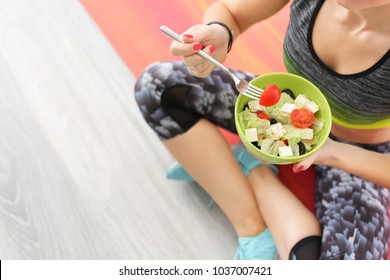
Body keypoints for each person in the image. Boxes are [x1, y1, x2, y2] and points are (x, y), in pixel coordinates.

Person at [134, 0, 390, 260]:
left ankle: (254, 173)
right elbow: (231, 11)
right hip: (274, 105)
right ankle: (252, 229)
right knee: (155, 85)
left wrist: (335, 153)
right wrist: (220, 32)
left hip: (358, 153)